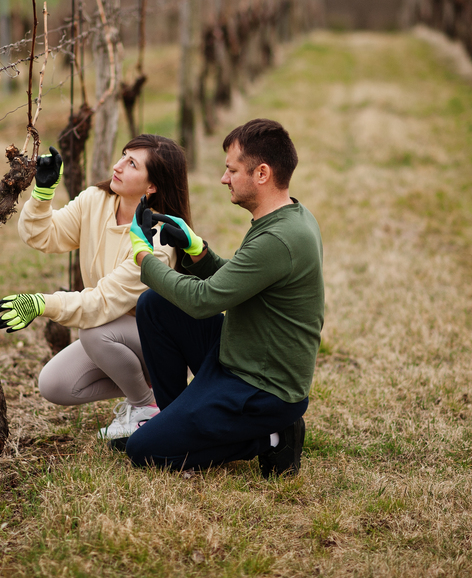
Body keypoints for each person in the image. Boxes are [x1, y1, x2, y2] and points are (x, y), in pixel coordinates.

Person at [125, 119, 324, 477]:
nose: (223, 178)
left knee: (143, 451)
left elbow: (203, 301)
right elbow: (240, 280)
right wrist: (197, 251)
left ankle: (272, 437)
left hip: (262, 389)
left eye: (231, 170)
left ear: (261, 173)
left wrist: (144, 257)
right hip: (241, 354)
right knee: (156, 305)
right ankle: (176, 423)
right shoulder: (290, 216)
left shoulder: (278, 239)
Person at [0, 134, 191, 441]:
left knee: (94, 330)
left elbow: (101, 303)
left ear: (152, 185)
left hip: (160, 345)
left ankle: (146, 407)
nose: (117, 166)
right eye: (123, 155)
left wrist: (42, 304)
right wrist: (43, 193)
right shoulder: (96, 200)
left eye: (132, 164)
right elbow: (43, 236)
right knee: (55, 384)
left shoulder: (157, 241)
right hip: (116, 334)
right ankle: (155, 394)